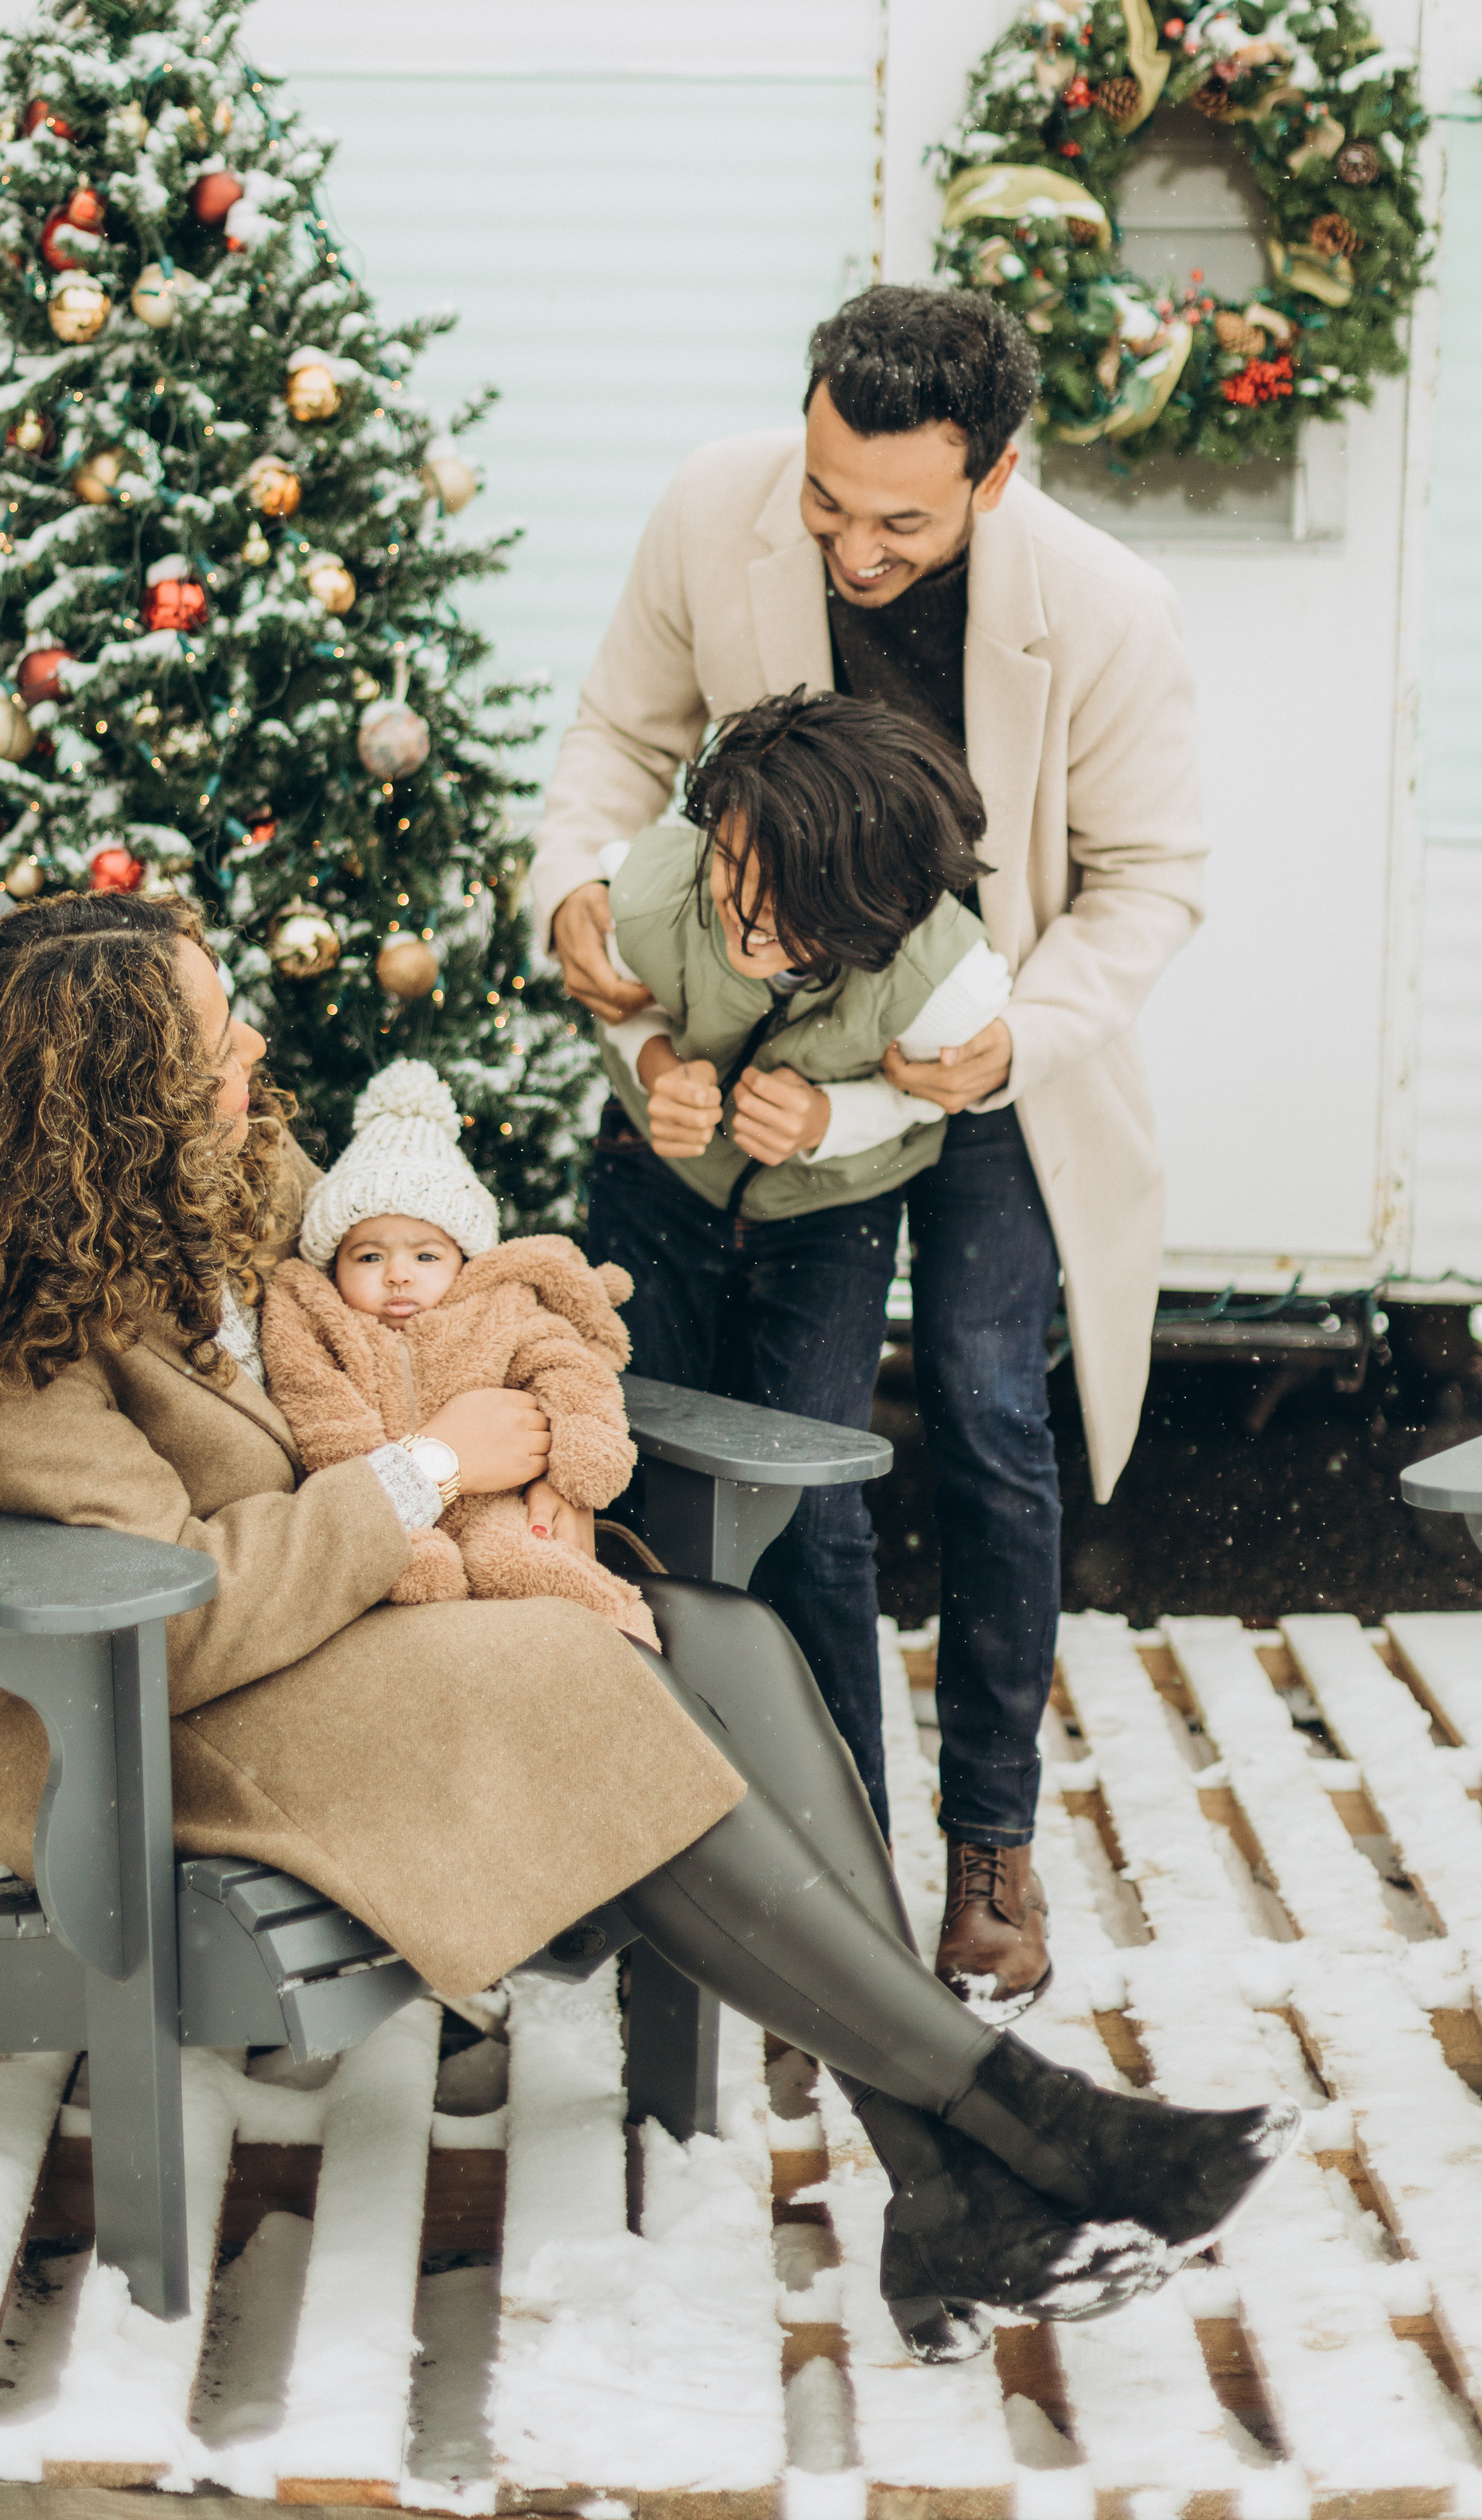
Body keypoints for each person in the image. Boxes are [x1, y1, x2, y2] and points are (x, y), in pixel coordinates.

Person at [0, 891, 1285, 2363]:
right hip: (129, 1712)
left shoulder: (216, 1184)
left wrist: (543, 1427)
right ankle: (1029, 2116)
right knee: (579, 1670)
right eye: (213, 1043)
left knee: (723, 1640)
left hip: (326, 1622)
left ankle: (943, 2178)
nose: (252, 1048)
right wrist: (436, 1465)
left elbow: (430, 1297)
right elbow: (171, 1605)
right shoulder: (12, 1332)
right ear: (110, 1103)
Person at [533, 286, 1206, 2018]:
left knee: (985, 1410)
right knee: (774, 1445)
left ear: (992, 477)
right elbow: (617, 742)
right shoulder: (713, 506)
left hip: (975, 1053)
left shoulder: (1107, 613)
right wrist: (575, 906)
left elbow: (1150, 878)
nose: (845, 544)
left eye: (896, 517)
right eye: (825, 497)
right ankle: (779, 1833)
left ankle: (986, 1841)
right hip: (763, 1047)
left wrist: (1010, 1043)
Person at [585, 687, 1011, 1830]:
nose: (743, 923)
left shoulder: (946, 978)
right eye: (733, 878)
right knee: (616, 1476)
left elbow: (933, 1107)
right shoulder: (654, 882)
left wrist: (834, 1122)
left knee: (809, 1505)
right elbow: (616, 1004)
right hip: (655, 1184)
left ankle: (842, 1830)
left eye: (787, 915)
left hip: (836, 1215)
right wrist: (659, 1060)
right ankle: (619, 1817)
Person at [261, 1058, 652, 1631]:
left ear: (463, 1261)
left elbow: (564, 1364)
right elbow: (322, 1415)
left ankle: (625, 1651)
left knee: (534, 1567)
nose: (398, 1274)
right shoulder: (322, 1323)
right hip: (380, 1512)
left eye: (425, 1256)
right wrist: (388, 1508)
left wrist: (583, 1449)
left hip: (491, 1506)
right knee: (404, 1581)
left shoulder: (494, 1308)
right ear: (332, 1261)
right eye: (370, 1256)